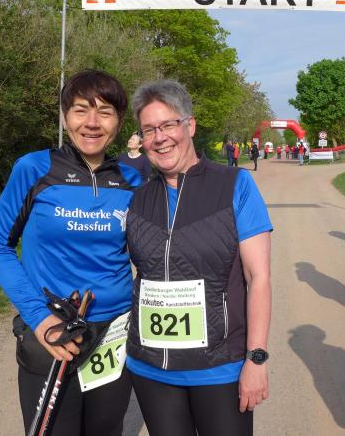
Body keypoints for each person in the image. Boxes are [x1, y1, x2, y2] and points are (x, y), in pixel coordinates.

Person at [0, 70, 141, 435]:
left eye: (105, 112)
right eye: (80, 110)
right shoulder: (35, 169)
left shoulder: (133, 180)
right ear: (64, 117)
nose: (92, 122)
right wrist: (40, 319)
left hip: (115, 333)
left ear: (119, 122)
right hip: (53, 332)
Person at [125, 79, 273, 436]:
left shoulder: (234, 184)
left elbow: (259, 279)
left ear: (189, 125)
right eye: (149, 130)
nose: (159, 138)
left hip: (219, 368)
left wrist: (256, 359)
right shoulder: (137, 197)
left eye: (168, 125)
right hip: (151, 369)